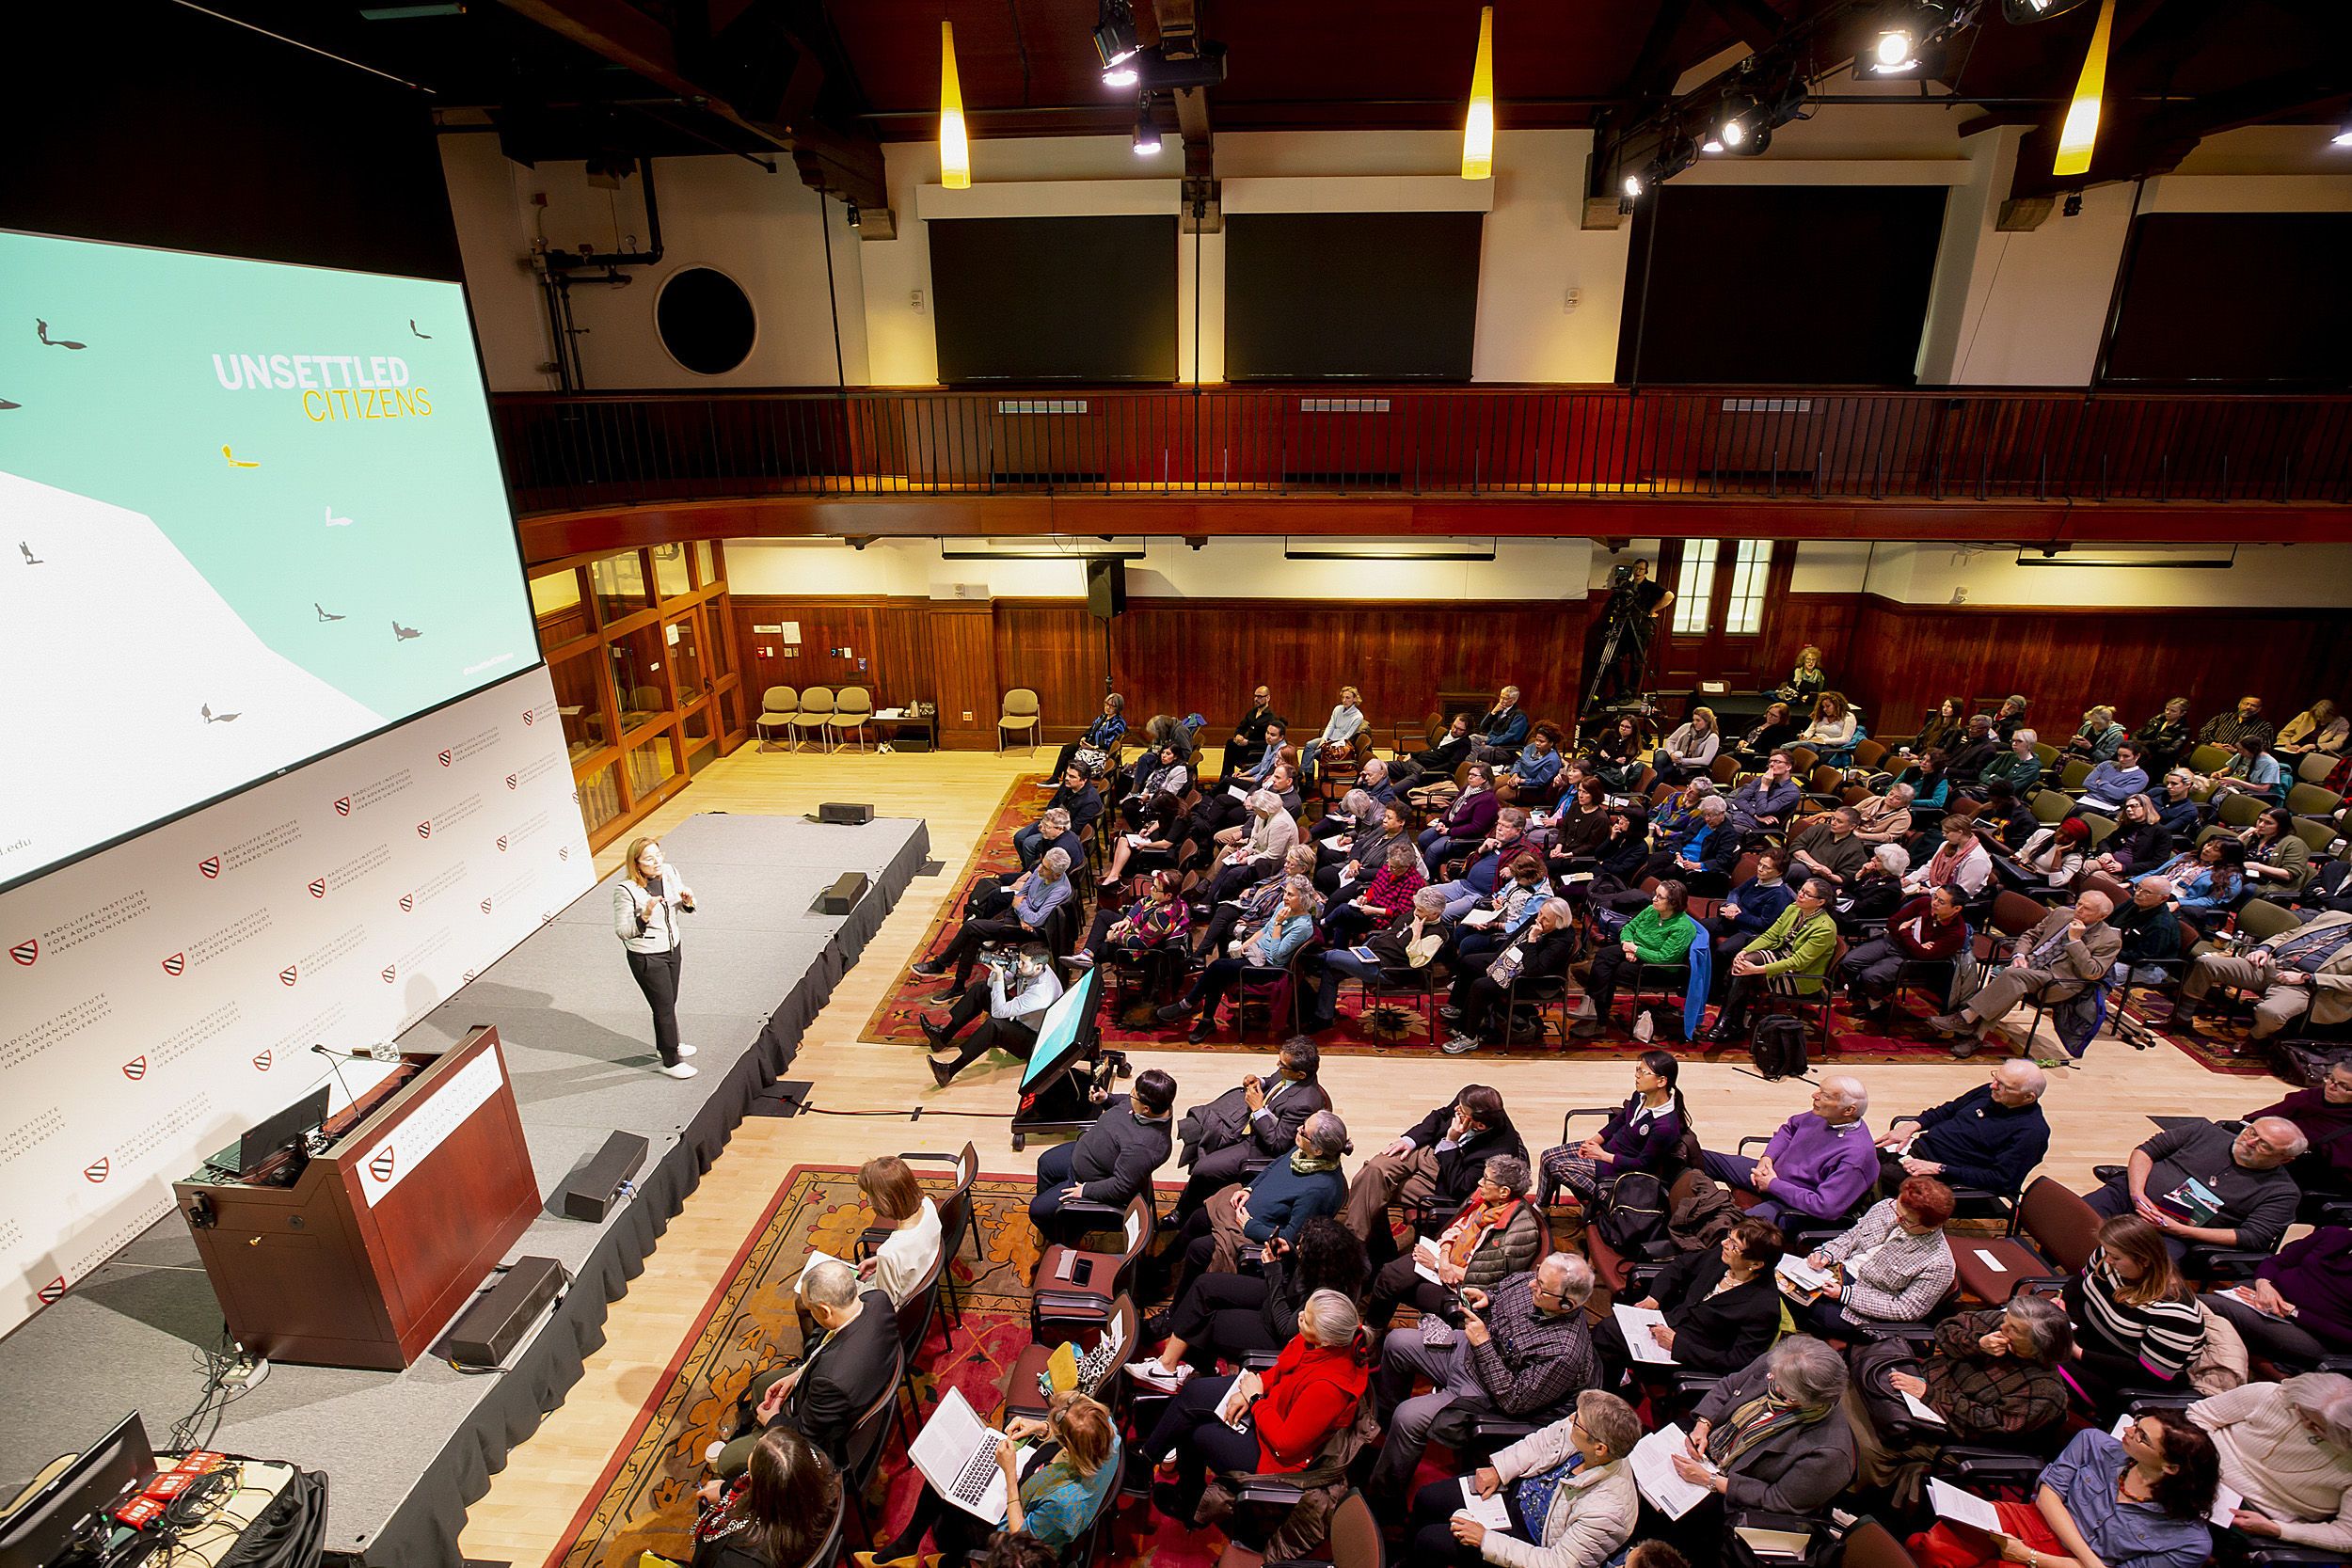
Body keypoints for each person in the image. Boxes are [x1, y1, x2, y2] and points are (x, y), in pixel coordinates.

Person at [1369, 1253, 1601, 1497]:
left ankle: (1383, 1496)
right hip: (1472, 1350)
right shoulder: (1535, 1282)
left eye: (1541, 1287)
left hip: (1487, 1391)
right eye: (1537, 1276)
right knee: (1397, 1342)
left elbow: (1514, 1401)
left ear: (1567, 1305)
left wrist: (1483, 1345)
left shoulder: (1563, 1353)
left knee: (1408, 1417)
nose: (1532, 1284)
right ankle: (1382, 1425)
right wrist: (1487, 1298)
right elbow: (1501, 1293)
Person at [1137, 1290, 1371, 1529]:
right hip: (1270, 1404)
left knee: (1195, 1435)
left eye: (1307, 1319)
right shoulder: (1315, 1340)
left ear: (1326, 1340)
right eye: (1306, 1309)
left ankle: (1190, 1506)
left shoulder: (1329, 1388)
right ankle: (1143, 1464)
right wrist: (1254, 1390)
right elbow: (1282, 1367)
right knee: (1193, 1393)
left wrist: (1255, 1398)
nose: (1300, 1316)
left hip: (1277, 1458)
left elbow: (1285, 1443)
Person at [1905, 1415, 2219, 1568]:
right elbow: (2047, 1496)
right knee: (1933, 1548)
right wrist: (2089, 1563)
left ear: (2170, 1467)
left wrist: (2030, 1557)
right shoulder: (2094, 1442)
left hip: (2068, 1567)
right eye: (2136, 1423)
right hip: (2036, 1520)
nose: (2126, 1430)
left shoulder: (2190, 1541)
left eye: (2141, 1436)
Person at [859, 1390, 1119, 1566]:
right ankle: (911, 1549)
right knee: (955, 1473)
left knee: (947, 1484)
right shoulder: (1108, 1430)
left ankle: (920, 1552)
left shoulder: (1063, 1504)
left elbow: (1019, 1541)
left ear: (1070, 1446)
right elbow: (1078, 1434)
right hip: (1031, 1486)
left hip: (1017, 1532)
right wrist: (1041, 1428)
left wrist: (1008, 1474)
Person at [1843, 1294, 2073, 1490]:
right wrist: (1977, 1343)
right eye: (2006, 1320)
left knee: (1869, 1443)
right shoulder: (2004, 1323)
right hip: (1919, 1383)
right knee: (1846, 1390)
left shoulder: (2046, 1393)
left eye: (2013, 1330)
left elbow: (1984, 1426)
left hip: (1951, 1431)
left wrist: (1929, 1395)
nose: (2002, 1327)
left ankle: (1853, 1496)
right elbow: (1945, 1329)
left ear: (2037, 1345)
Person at [1156, 1111, 1353, 1326]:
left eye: (1303, 1131)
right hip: (1243, 1210)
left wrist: (1249, 1225)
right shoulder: (1303, 1152)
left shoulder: (1319, 1191)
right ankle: (1162, 1265)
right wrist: (1249, 1189)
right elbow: (1274, 1166)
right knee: (1199, 1217)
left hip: (1254, 1235)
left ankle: (1173, 1316)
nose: (1298, 1130)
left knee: (1199, 1249)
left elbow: (1288, 1239)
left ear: (1318, 1149)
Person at [1409, 1389, 1644, 1568]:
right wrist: (1500, 1470)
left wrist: (1486, 1540)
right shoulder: (1588, 1433)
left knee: (1429, 1540)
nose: (1570, 1420)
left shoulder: (1608, 1513)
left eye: (1577, 1422)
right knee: (1426, 1498)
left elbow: (1557, 1563)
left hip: (1530, 1540)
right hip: (1518, 1491)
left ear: (1600, 1449)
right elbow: (1540, 1442)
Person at [1127, 1214, 1368, 1384]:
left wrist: (1273, 1272)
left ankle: (1173, 1369)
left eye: (1303, 1249)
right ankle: (1173, 1366)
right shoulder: (1330, 1263)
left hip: (1279, 1330)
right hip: (1281, 1297)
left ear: (1319, 1260)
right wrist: (1292, 1255)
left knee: (1207, 1321)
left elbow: (1286, 1329)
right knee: (1205, 1286)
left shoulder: (1324, 1295)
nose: (1299, 1248)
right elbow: (1299, 1276)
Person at [1662, 1338, 1854, 1544]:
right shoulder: (1779, 1364)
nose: (1773, 1384)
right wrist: (1703, 1423)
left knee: (1668, 1516)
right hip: (1712, 1444)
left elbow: (1778, 1500)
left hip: (1734, 1491)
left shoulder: (1830, 1452)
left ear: (1806, 1400)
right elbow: (1730, 1386)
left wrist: (1709, 1480)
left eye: (1784, 1388)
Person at [716, 1259, 896, 1473]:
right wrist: (799, 1373)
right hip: (851, 1385)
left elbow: (804, 1436)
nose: (809, 1313)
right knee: (761, 1385)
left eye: (811, 1309)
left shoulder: (830, 1380)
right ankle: (756, 1427)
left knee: (727, 1460)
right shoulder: (879, 1300)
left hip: (822, 1442)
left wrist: (773, 1419)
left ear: (825, 1311)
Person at [1928, 890, 2120, 1057]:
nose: (2078, 910)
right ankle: (1977, 1036)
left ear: (2102, 917)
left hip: (2058, 980)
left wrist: (2075, 942)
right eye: (2079, 904)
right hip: (2030, 965)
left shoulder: (2109, 940)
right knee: (2014, 981)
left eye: (2087, 909)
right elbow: (2031, 935)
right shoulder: (2062, 913)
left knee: (2013, 976)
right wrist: (2019, 955)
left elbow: (2093, 973)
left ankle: (1965, 1018)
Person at [2085, 1116, 2306, 1260]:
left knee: (2149, 1271)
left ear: (2284, 1159)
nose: (2249, 1142)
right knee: (2069, 1222)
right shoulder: (2204, 1131)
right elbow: (2146, 1151)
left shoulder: (2282, 1192)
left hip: (2179, 1234)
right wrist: (2137, 1194)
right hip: (2129, 1194)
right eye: (2252, 1133)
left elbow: (2253, 1237)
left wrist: (2177, 1229)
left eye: (2264, 1145)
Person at [1364, 1154, 1544, 1331]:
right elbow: (1455, 1229)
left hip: (1468, 1291)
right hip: (1446, 1263)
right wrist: (1442, 1260)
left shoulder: (1520, 1233)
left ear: (1504, 1192)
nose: (1480, 1182)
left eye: (1486, 1179)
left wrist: (1436, 1265)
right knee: (1389, 1274)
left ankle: (1375, 1339)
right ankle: (1371, 1334)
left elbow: (1491, 1280)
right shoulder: (1484, 1201)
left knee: (1395, 1286)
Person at [1342, 1085, 1526, 1257]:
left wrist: (1451, 1142)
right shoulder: (1470, 1098)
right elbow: (1440, 1116)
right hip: (1429, 1152)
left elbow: (1460, 1187)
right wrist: (1410, 1140)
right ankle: (1369, 1250)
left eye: (1461, 1112)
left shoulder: (1498, 1151)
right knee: (1373, 1170)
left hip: (1446, 1177)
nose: (1456, 1110)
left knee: (1372, 1190)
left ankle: (1354, 1250)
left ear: (1480, 1126)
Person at [1595, 1218, 1785, 1381]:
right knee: (1607, 1337)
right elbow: (1681, 1266)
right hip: (1669, 1323)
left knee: (1606, 1334)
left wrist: (1677, 1345)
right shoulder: (1724, 1258)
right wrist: (1655, 1297)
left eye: (1734, 1245)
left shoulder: (1764, 1307)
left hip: (1689, 1358)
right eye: (1729, 1236)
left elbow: (1737, 1362)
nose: (1724, 1244)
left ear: (1756, 1264)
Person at [1168, 1036, 1330, 1221]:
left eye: (1282, 1065)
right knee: (1198, 1127)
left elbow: (1278, 1145)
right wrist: (1258, 1082)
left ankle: (1184, 1213)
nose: (1278, 1065)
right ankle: (1197, 1193)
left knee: (1202, 1168)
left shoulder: (1304, 1103)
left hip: (1258, 1144)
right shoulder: (1291, 1071)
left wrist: (1258, 1109)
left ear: (1301, 1074)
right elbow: (1273, 1081)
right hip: (1250, 1122)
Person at [2189, 1373, 2352, 1555]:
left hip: (2253, 1512)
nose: (2305, 1425)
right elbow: (2199, 1415)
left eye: (2317, 1426)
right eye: (2301, 1413)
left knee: (2190, 1536)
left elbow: (2347, 1535)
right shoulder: (2273, 1395)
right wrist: (2198, 1458)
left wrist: (2277, 1529)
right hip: (2201, 1467)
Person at [2063, 1216, 2207, 1418]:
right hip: (2087, 1339)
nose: (2107, 1261)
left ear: (2144, 1260)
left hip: (2120, 1373)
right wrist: (2060, 1300)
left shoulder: (2175, 1312)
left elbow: (2152, 1374)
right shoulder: (2110, 1255)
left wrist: (2077, 1352)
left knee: (2035, 1356)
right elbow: (2081, 1279)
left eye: (2116, 1257)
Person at [1156, 877, 1321, 1043]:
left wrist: (1279, 924)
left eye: (1290, 895)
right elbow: (1265, 930)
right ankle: (1206, 1021)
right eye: (1285, 892)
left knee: (1217, 967)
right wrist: (1246, 944)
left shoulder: (1302, 926)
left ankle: (1188, 1005)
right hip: (1255, 953)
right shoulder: (1283, 906)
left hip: (1269, 968)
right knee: (1219, 972)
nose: (1285, 897)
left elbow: (1277, 954)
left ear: (1303, 898)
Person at [1784, 1177, 1957, 1335]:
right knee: (1774, 1282)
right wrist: (1826, 1254)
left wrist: (1846, 1295)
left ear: (1932, 1226)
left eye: (1907, 1221)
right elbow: (1852, 1237)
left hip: (1859, 1308)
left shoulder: (1939, 1263)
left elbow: (1905, 1310)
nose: (1896, 1219)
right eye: (1897, 1210)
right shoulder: (1887, 1207)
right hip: (1832, 1272)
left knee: (1783, 1300)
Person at [1701, 1076, 1878, 1227]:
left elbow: (1825, 1207)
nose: (1814, 1096)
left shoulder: (1856, 1156)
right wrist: (1767, 1158)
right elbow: (1789, 1129)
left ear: (1848, 1110)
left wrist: (1774, 1185)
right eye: (1819, 1090)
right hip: (1773, 1175)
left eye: (1824, 1096)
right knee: (1700, 1157)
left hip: (1796, 1206)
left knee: (1737, 1229)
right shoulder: (1826, 1117)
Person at [1027, 1068, 1177, 1237]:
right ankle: (1061, 1220)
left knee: (1037, 1211)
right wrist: (1106, 1098)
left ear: (1145, 1109)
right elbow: (1125, 1102)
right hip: (1083, 1154)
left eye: (1134, 1094)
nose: (1130, 1095)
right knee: (1045, 1163)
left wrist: (1085, 1191)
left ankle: (1066, 1238)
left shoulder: (1144, 1148)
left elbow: (1120, 1187)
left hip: (1087, 1181)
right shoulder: (1154, 1105)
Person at [1538, 1051, 1692, 1210]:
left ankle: (1609, 1202)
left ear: (1661, 1081)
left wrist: (1603, 1156)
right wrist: (1595, 1140)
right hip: (1607, 1151)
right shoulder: (1640, 1096)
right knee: (1547, 1157)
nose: (1637, 1076)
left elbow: (1643, 1165)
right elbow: (1621, 1119)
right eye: (1637, 1069)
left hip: (1621, 1171)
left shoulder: (1664, 1126)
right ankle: (1540, 1210)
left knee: (1558, 1166)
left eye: (1643, 1072)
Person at [1876, 1059, 2050, 1197]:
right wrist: (1913, 1126)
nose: (1993, 1086)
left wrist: (1939, 1168)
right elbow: (1949, 1109)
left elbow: (2001, 1180)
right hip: (1916, 1151)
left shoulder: (2031, 1133)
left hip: (1943, 1178)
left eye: (2003, 1086)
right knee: (1857, 1154)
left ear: (2028, 1097)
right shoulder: (1991, 1093)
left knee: (1870, 1173)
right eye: (1995, 1078)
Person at [1697, 877, 1838, 1046]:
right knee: (1742, 964)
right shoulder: (1794, 909)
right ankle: (1731, 1023)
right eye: (1801, 890)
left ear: (1820, 902)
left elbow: (1798, 962)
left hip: (1800, 976)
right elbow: (1770, 936)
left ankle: (1729, 1023)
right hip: (1781, 955)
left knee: (1744, 973)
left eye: (1807, 894)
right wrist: (1743, 951)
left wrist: (1756, 970)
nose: (1800, 895)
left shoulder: (1824, 928)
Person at [2178, 909, 2352, 1044]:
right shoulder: (2335, 917)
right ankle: (2182, 1018)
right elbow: (2288, 934)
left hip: (2304, 985)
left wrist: (2308, 978)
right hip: (2269, 963)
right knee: (2206, 964)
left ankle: (2255, 1039)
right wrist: (2264, 948)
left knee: (2271, 1012)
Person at [913, 848, 1073, 992]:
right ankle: (958, 985)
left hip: (1027, 930)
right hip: (1019, 916)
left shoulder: (1060, 889)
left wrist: (1020, 908)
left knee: (970, 927)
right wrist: (1022, 909)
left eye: (1044, 867)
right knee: (975, 934)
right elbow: (1022, 891)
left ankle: (940, 965)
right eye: (1042, 863)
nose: (1039, 868)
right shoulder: (1041, 872)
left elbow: (1036, 920)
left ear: (1057, 875)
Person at [1441, 895, 1580, 1055]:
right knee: (1469, 962)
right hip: (1514, 962)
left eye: (1545, 919)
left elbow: (1535, 971)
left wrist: (1532, 940)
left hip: (1532, 982)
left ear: (1559, 922)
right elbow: (1513, 938)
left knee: (1481, 985)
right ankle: (1460, 1008)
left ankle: (1469, 1036)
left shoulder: (1560, 942)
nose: (1539, 919)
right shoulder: (1540, 919)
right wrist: (1497, 962)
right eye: (1540, 913)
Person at [2202, 1226, 2352, 1368]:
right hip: (2268, 1295)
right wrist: (2264, 1285)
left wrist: (2294, 1312)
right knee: (2220, 1310)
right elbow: (2276, 1262)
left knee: (2209, 1305)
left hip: (2312, 1332)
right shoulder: (2333, 1235)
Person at [694, 1425, 839, 1568]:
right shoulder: (818, 1465)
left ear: (763, 1492)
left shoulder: (740, 1554)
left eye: (751, 1476)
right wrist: (722, 1490)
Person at [1571, 880, 1700, 1040]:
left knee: (1609, 972)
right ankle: (1592, 1005)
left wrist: (1636, 950)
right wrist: (1627, 943)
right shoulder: (1652, 910)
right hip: (1636, 950)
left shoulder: (1683, 928)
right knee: (1604, 956)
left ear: (1674, 903)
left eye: (1660, 897)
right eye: (1655, 894)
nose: (1654, 899)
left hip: (1660, 969)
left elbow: (1664, 958)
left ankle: (1598, 1021)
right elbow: (1628, 927)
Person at [1311, 884, 1448, 1033]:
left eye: (1420, 911)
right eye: (1416, 908)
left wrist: (1416, 934)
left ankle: (1308, 960)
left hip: (1389, 971)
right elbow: (1393, 933)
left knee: (1332, 956)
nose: (1415, 912)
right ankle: (1323, 1018)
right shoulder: (1415, 914)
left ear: (1435, 914)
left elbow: (1416, 963)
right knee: (1332, 970)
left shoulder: (1436, 935)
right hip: (1374, 955)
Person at [615, 834, 699, 1079]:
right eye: (649, 859)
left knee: (669, 1001)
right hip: (647, 956)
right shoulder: (626, 890)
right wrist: (645, 914)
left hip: (673, 947)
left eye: (658, 855)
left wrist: (688, 901)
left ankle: (668, 1043)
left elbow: (683, 907)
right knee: (662, 1007)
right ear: (636, 863)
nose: (656, 862)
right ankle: (671, 1061)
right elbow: (622, 931)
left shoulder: (670, 872)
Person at [1838, 883, 1970, 1027]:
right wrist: (1912, 941)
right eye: (1935, 897)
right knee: (1848, 961)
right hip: (1892, 942)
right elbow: (1892, 923)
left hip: (1914, 960)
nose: (1935, 903)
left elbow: (1923, 955)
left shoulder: (1957, 933)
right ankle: (1872, 998)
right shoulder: (1923, 903)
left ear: (1956, 909)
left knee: (1870, 975)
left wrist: (1905, 931)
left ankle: (1875, 1003)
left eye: (1941, 902)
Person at [2248, 1057, 2352, 1200]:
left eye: (2343, 1086)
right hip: (2255, 1162)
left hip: (2293, 1186)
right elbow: (2254, 1119)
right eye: (2331, 1078)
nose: (2331, 1086)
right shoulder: (2309, 1097)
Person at [1194, 845, 1317, 959]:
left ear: (1303, 869)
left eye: (1290, 863)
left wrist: (1252, 921)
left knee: (1229, 927)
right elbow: (1268, 884)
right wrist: (1251, 890)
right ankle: (1201, 955)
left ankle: (1221, 961)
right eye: (1286, 861)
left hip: (1262, 916)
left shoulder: (1299, 889)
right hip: (1255, 905)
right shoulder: (1287, 872)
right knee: (1223, 910)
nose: (1285, 865)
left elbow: (1279, 915)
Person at [851, 1156, 944, 1307]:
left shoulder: (889, 1252)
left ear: (883, 1201)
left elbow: (884, 1302)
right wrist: (880, 1263)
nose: (868, 1200)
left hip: (899, 1309)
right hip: (921, 1281)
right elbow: (916, 1251)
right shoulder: (928, 1205)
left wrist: (884, 1263)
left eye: (870, 1195)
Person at [1068, 864, 1189, 974]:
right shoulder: (1163, 897)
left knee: (1100, 950)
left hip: (1140, 953)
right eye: (1153, 885)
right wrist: (1128, 919)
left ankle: (1087, 990)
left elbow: (1141, 943)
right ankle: (1086, 955)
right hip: (1136, 927)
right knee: (1103, 915)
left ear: (1168, 895)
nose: (1151, 889)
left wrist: (1116, 936)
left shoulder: (1162, 916)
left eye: (1156, 888)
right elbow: (1141, 903)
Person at [1699, 846, 1794, 980]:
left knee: (1723, 951)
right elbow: (1735, 892)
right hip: (1735, 922)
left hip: (1750, 932)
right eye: (1760, 864)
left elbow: (1764, 924)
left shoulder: (1779, 895)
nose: (1760, 869)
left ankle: (1715, 990)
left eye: (1766, 867)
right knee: (1699, 928)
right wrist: (1732, 905)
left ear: (1779, 872)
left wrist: (1737, 916)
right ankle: (1697, 975)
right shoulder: (1758, 880)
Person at [1625, 796, 1740, 897]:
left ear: (1722, 813)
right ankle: (1637, 889)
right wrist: (1677, 853)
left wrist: (1697, 865)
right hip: (1680, 856)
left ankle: (1652, 896)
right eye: (1705, 815)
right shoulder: (1700, 821)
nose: (1707, 819)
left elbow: (1722, 860)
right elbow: (1681, 838)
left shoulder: (1728, 834)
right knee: (1654, 859)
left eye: (1711, 816)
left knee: (1669, 871)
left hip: (1696, 864)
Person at [1095, 789, 1190, 889]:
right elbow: (1160, 820)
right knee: (1122, 839)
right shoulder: (1173, 806)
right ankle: (1113, 876)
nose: (1158, 813)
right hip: (1155, 839)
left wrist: (1145, 845)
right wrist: (1148, 830)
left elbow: (1166, 844)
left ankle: (1113, 877)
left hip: (1164, 851)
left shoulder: (1180, 819)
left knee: (1127, 845)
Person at [2106, 875, 2185, 992]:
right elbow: (2107, 921)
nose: (2138, 893)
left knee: (2098, 972)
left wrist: (2109, 953)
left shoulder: (2162, 925)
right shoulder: (2133, 903)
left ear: (2163, 899)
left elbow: (2144, 957)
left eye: (2147, 892)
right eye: (2138, 888)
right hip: (2117, 952)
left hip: (2146, 967)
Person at [2147, 834, 2247, 926]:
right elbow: (2155, 872)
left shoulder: (2232, 876)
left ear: (2226, 856)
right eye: (2208, 844)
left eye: (2215, 849)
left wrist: (2179, 903)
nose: (2207, 849)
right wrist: (2132, 882)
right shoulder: (2187, 856)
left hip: (2184, 903)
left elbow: (2211, 901)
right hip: (2160, 888)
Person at [1422, 763, 1503, 865]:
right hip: (1452, 826)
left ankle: (1431, 878)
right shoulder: (1467, 789)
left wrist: (1449, 831)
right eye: (1469, 774)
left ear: (1484, 779)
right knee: (1424, 838)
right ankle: (1437, 864)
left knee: (1433, 851)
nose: (1470, 777)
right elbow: (1452, 806)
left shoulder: (1487, 799)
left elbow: (1476, 828)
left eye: (1474, 775)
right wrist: (1442, 821)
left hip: (1465, 837)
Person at [1902, 816, 1996, 900]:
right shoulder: (1946, 845)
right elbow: (1930, 867)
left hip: (1951, 898)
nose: (1944, 835)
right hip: (1933, 886)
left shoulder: (1977, 859)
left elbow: (1963, 890)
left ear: (1960, 833)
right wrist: (1910, 879)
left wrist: (1931, 892)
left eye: (1947, 832)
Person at [1015, 776, 1096, 869]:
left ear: (1083, 780)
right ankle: (1026, 866)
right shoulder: (1067, 785)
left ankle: (1032, 870)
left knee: (1029, 844)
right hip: (1051, 821)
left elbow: (1075, 827)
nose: (1067, 778)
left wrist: (1053, 826)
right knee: (1019, 837)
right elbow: (1053, 801)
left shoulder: (1090, 800)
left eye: (1072, 776)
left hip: (1061, 828)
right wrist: (1051, 816)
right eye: (1067, 774)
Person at [1049, 692, 1128, 783]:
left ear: (1118, 708)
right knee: (1067, 748)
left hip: (1101, 749)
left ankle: (1061, 779)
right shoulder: (1103, 716)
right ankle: (1057, 778)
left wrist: (1093, 747)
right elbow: (1092, 729)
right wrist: (1084, 737)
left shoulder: (1119, 723)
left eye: (1112, 706)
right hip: (1091, 742)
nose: (1108, 707)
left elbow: (1111, 742)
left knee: (1069, 752)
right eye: (1107, 704)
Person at [2094, 793, 2174, 881]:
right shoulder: (2127, 826)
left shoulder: (2161, 831)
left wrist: (2124, 868)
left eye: (2134, 806)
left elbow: (2158, 863)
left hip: (2129, 873)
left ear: (2145, 807)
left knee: (2096, 877)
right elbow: (2104, 841)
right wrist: (2106, 852)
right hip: (2110, 863)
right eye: (2127, 807)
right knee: (2083, 867)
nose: (2129, 809)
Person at [1117, 741, 1193, 831]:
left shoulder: (1180, 770)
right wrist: (1142, 796)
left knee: (1129, 808)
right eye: (1163, 753)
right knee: (1127, 804)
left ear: (1175, 756)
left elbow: (1170, 793)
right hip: (1152, 797)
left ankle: (1141, 830)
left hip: (1166, 803)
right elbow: (1149, 783)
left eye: (1168, 754)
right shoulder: (1161, 765)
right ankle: (1139, 829)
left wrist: (1149, 796)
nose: (1164, 756)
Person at [1726, 751, 1802, 840]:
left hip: (1751, 827)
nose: (1772, 765)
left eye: (1777, 762)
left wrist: (1764, 786)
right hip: (1736, 815)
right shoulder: (1761, 779)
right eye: (1770, 761)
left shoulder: (1791, 793)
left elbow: (1762, 811)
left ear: (1788, 767)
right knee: (1709, 818)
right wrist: (1754, 814)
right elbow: (1739, 799)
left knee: (1720, 832)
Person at [1788, 805, 1871, 887]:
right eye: (1833, 818)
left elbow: (1844, 879)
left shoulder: (1855, 849)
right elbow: (1796, 846)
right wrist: (1814, 865)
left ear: (1852, 826)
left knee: (1796, 869)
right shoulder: (1820, 829)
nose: (1833, 823)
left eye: (1839, 821)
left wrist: (1825, 874)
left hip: (1819, 880)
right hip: (1797, 864)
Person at [2240, 803, 2312, 894]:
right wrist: (2242, 838)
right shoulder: (2253, 837)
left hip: (2272, 886)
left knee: (2239, 887)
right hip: (2246, 877)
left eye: (2268, 823)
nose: (2261, 825)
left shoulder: (2294, 844)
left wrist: (2256, 866)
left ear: (2281, 826)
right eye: (2260, 820)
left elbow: (2289, 874)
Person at [1297, 686, 1367, 775]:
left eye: (1348, 698)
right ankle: (1305, 777)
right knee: (1309, 745)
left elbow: (1347, 737)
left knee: (1313, 754)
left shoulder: (1358, 717)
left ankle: (1308, 781)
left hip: (1339, 745)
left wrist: (1328, 745)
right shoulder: (1337, 709)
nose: (1344, 700)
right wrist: (1323, 739)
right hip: (1329, 739)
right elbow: (1330, 726)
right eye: (1343, 697)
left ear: (1355, 699)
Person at [2013, 816, 2091, 895]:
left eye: (2067, 837)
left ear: (2075, 841)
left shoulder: (2074, 858)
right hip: (2020, 872)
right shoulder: (2042, 833)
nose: (2060, 837)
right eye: (2060, 831)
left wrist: (2059, 853)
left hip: (2035, 886)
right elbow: (2022, 853)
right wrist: (2017, 857)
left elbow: (2055, 883)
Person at [1396, 711, 1477, 788]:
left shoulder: (1464, 744)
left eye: (1460, 729)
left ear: (1467, 731)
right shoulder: (1447, 733)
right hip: (1415, 762)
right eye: (1454, 726)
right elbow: (1433, 750)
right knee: (1384, 767)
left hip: (1424, 772)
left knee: (1394, 789)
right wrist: (1412, 754)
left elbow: (1451, 766)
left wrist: (1426, 772)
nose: (1454, 730)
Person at [2211, 733, 2286, 806]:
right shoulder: (2242, 755)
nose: (2239, 752)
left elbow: (2264, 788)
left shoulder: (2270, 763)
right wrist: (2219, 773)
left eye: (2242, 750)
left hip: (2243, 793)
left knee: (2215, 800)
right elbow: (2230, 769)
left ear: (2252, 750)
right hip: (2228, 785)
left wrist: (2235, 781)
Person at [2075, 740, 2149, 815]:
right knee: (2068, 806)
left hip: (2108, 807)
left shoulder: (2141, 777)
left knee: (2078, 810)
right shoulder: (2106, 764)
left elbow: (2120, 795)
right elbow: (2087, 783)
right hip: (2087, 799)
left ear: (2137, 756)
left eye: (2126, 756)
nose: (2121, 759)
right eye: (2119, 755)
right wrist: (2111, 792)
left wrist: (2102, 782)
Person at [1975, 727, 2044, 800]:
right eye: (2013, 740)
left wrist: (1994, 777)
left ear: (2029, 744)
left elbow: (2009, 788)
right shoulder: (2007, 756)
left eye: (2019, 741)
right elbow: (1984, 772)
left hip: (2001, 799)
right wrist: (1991, 782)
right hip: (1982, 790)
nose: (2014, 744)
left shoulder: (2032, 768)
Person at [1653, 707, 1721, 783]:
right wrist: (1672, 753)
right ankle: (1653, 789)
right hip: (1672, 757)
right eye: (1694, 720)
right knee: (1659, 759)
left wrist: (1682, 760)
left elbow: (1705, 760)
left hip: (1684, 766)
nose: (1695, 723)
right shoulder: (1687, 727)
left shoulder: (1712, 737)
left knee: (1658, 772)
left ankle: (1653, 790)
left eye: (1698, 720)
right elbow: (1670, 740)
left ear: (1707, 722)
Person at [1225, 684, 1281, 773]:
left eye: (1260, 697)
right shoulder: (1252, 712)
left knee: (1231, 750)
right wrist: (1238, 735)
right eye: (1255, 696)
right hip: (1247, 746)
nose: (1256, 699)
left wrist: (1248, 743)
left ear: (1268, 698)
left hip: (1258, 751)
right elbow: (1241, 727)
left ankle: (1230, 778)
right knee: (1230, 743)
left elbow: (1267, 743)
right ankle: (1225, 777)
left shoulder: (1271, 718)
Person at [1733, 702, 1802, 771]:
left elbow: (1764, 749)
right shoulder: (1762, 719)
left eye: (1774, 716)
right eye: (1769, 713)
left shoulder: (1779, 730)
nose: (1769, 716)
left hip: (1750, 756)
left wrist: (1747, 746)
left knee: (1724, 759)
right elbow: (1745, 726)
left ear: (1781, 718)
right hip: (1740, 747)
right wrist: (1742, 740)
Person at [2132, 698, 2193, 776]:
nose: (2168, 712)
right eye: (2167, 709)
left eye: (2173, 711)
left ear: (2182, 713)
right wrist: (2137, 743)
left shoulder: (2183, 729)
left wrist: (2149, 746)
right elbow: (2136, 733)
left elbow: (2172, 750)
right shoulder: (2157, 720)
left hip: (2160, 762)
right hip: (2142, 754)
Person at [1471, 686, 1532, 764]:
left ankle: (1469, 768)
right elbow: (1483, 728)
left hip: (1504, 748)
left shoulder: (1519, 715)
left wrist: (1488, 742)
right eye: (1501, 697)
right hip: (1491, 739)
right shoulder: (1500, 710)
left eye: (1505, 699)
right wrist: (1493, 712)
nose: (1501, 701)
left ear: (1514, 700)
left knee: (1475, 750)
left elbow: (1511, 737)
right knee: (1471, 739)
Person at [1944, 714, 2005, 790]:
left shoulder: (1988, 749)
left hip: (1957, 780)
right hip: (1946, 776)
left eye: (1975, 727)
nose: (1970, 730)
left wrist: (1947, 770)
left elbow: (1976, 773)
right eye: (1970, 727)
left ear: (1986, 729)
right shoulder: (1969, 743)